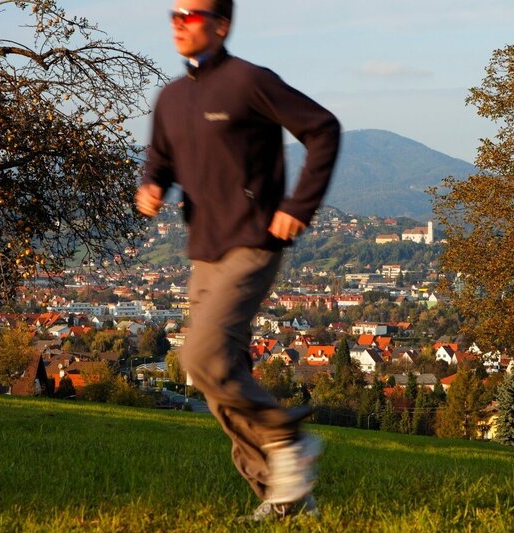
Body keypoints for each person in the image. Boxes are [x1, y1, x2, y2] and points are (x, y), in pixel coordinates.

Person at [136, 0, 340, 522]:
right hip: (202, 252)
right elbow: (159, 156)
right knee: (217, 382)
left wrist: (298, 206)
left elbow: (322, 129)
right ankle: (283, 497)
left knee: (199, 358)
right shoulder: (171, 97)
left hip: (253, 244)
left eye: (193, 14)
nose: (181, 23)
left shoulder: (251, 82)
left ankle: (288, 437)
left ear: (221, 24)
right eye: (175, 15)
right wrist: (152, 183)